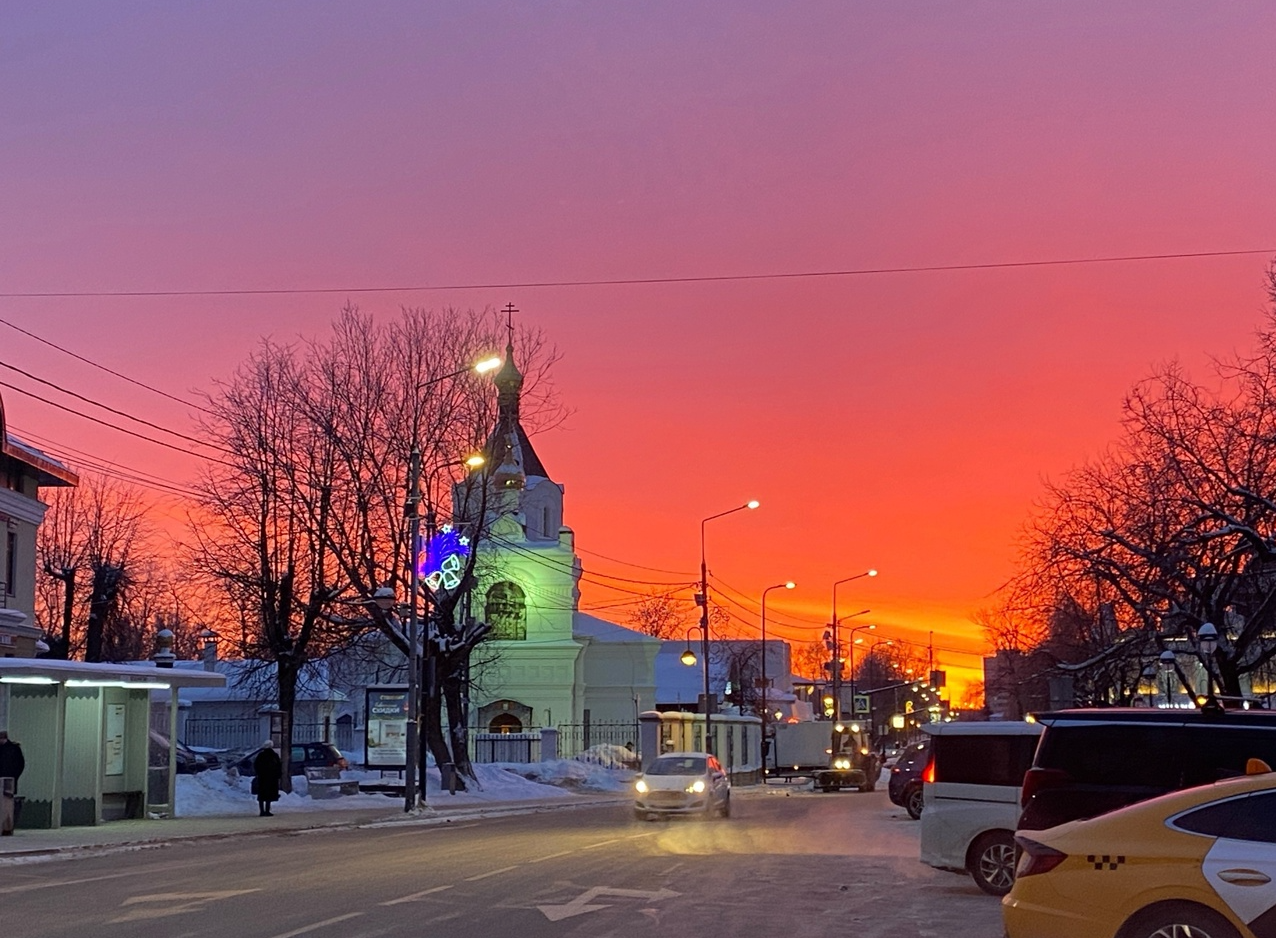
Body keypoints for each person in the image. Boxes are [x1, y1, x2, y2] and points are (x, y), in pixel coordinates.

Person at [253, 739, 282, 817]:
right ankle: (267, 811)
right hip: (272, 779)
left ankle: (262, 811)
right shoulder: (274, 755)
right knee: (269, 796)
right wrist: (278, 775)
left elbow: (256, 765)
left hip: (262, 778)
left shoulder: (261, 755)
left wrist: (259, 773)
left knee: (262, 795)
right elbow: (279, 766)